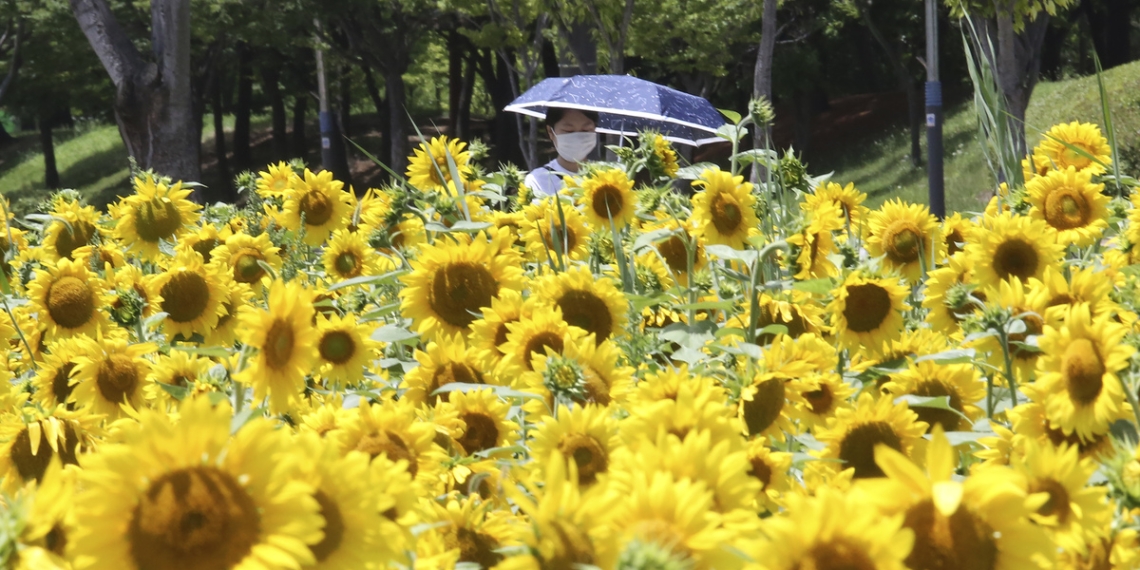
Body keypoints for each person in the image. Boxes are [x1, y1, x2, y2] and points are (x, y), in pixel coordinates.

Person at [523, 108, 599, 196]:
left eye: (586, 130)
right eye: (569, 131)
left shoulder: (604, 175)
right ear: (550, 131)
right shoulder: (537, 181)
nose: (577, 138)